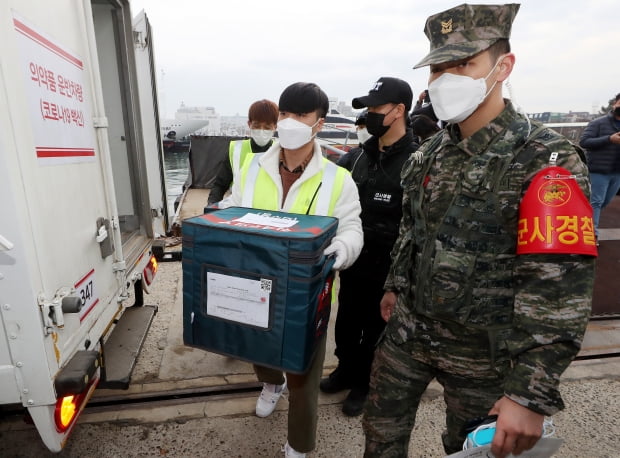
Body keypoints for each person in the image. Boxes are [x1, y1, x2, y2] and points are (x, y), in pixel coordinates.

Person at [362, 4, 596, 458]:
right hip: (408, 333)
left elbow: (559, 288)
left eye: (464, 64)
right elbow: (413, 228)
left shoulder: (547, 162)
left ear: (503, 66)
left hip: (484, 354)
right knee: (380, 433)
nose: (447, 79)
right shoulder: (429, 152)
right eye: (439, 68)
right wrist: (396, 285)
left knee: (467, 449)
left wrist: (529, 393)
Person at [223, 82, 363, 458]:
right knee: (257, 349)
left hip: (308, 293)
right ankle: (270, 383)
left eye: (301, 115)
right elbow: (234, 205)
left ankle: (298, 445)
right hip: (254, 282)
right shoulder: (253, 168)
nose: (290, 122)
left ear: (318, 124)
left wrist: (342, 248)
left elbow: (352, 228)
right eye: (285, 113)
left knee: (304, 375)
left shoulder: (338, 179)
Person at [319, 77, 418, 417]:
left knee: (376, 329)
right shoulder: (355, 158)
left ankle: (365, 382)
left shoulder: (417, 163)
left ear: (399, 110)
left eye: (376, 109)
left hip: (389, 269)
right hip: (353, 263)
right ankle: (345, 369)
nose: (369, 116)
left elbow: (419, 224)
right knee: (346, 320)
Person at [207, 99, 278, 205]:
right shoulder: (235, 149)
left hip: (270, 212)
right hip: (239, 210)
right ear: (249, 124)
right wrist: (211, 206)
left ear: (275, 127)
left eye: (267, 127)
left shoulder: (281, 151)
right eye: (257, 126)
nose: (262, 131)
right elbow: (220, 185)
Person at [579, 93, 620, 238]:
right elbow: (584, 142)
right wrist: (609, 139)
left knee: (604, 201)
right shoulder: (598, 123)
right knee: (596, 201)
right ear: (615, 103)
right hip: (599, 170)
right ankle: (591, 235)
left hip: (617, 172)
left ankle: (583, 218)